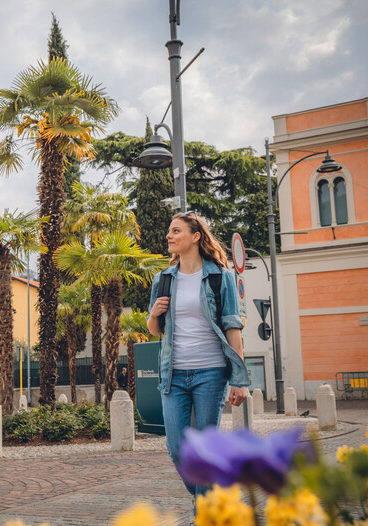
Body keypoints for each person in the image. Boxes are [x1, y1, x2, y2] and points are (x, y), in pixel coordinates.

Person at [147, 212, 250, 515]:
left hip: (211, 373)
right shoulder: (163, 279)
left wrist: (240, 380)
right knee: (177, 450)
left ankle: (203, 514)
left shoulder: (220, 276)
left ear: (195, 236)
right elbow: (155, 329)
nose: (169, 235)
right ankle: (209, 495)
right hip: (173, 374)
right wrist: (154, 314)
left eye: (176, 231)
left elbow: (233, 327)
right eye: (169, 231)